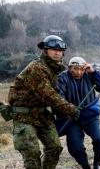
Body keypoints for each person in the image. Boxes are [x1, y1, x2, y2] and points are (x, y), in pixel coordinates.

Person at [7, 35, 80, 169]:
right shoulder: (37, 68)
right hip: (24, 116)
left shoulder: (57, 70)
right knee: (32, 154)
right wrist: (70, 109)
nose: (57, 52)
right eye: (53, 49)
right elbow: (49, 95)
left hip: (42, 115)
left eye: (60, 50)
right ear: (45, 50)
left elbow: (61, 92)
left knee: (55, 148)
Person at [55, 56, 100, 169]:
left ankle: (97, 162)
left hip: (90, 116)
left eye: (81, 69)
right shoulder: (62, 78)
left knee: (99, 139)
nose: (78, 72)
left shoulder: (89, 75)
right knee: (76, 148)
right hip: (71, 118)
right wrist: (70, 110)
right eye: (75, 69)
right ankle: (85, 166)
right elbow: (58, 97)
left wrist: (94, 72)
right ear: (70, 68)